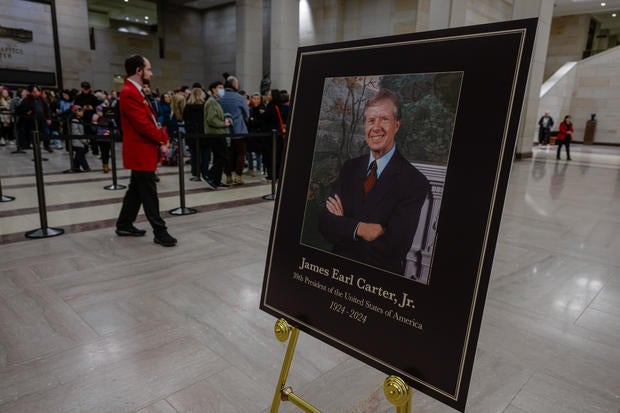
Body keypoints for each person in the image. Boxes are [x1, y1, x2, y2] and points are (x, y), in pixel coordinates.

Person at [318, 89, 430, 275]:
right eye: (371, 120)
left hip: (378, 284)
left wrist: (343, 226)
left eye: (384, 119)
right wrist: (360, 228)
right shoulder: (350, 168)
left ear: (397, 125)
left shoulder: (414, 182)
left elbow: (392, 249)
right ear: (365, 126)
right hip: (338, 274)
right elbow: (324, 223)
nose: (376, 127)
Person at [115, 55, 176, 247]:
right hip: (140, 151)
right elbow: (142, 125)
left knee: (136, 191)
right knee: (149, 193)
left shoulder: (136, 91)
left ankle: (124, 224)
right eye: (148, 69)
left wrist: (162, 139)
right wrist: (162, 139)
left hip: (144, 150)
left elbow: (149, 120)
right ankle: (160, 231)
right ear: (138, 71)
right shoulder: (128, 92)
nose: (151, 72)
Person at [218, 75, 249, 184]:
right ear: (235, 85)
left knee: (228, 154)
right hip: (239, 130)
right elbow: (247, 113)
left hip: (224, 130)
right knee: (241, 153)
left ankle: (228, 176)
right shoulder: (239, 97)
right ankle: (239, 176)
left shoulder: (220, 96)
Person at [203, 80, 231, 190]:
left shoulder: (215, 101)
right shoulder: (211, 102)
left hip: (218, 133)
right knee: (222, 157)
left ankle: (216, 181)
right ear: (214, 89)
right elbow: (211, 119)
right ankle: (209, 175)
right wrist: (223, 124)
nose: (222, 90)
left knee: (218, 158)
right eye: (220, 87)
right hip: (215, 134)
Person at [69, 105, 91, 172]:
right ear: (76, 112)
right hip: (77, 141)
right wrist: (83, 140)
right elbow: (75, 132)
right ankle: (86, 167)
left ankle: (76, 167)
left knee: (79, 155)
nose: (82, 112)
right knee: (80, 155)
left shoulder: (79, 120)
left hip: (79, 141)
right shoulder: (74, 121)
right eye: (80, 111)